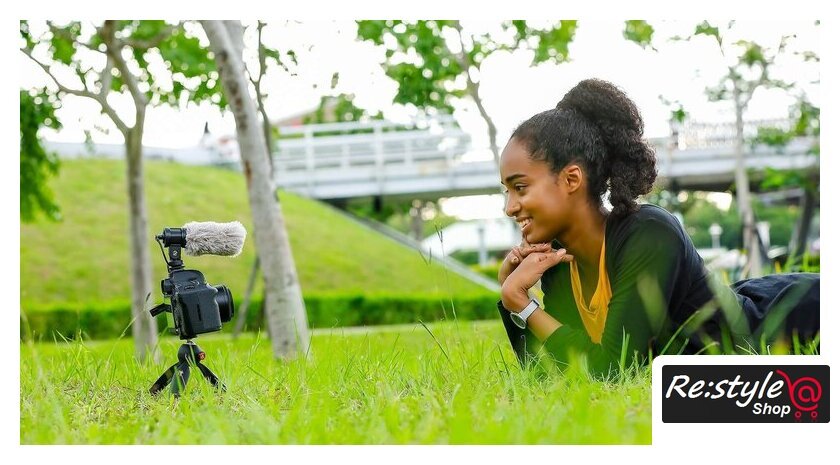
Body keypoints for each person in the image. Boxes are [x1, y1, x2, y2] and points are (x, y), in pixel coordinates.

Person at [496, 78, 819, 376]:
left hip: (803, 322)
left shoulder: (649, 233)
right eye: (507, 191)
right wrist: (512, 293)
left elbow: (613, 370)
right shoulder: (558, 262)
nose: (510, 207)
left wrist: (523, 305)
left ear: (571, 179)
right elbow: (549, 373)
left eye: (520, 188)